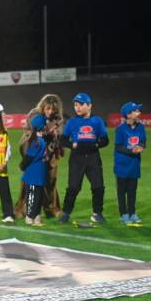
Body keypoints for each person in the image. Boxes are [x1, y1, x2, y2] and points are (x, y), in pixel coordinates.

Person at [59, 93, 109, 223]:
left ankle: (97, 213)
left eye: (81, 104)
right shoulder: (72, 122)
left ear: (89, 105)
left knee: (98, 187)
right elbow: (62, 140)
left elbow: (105, 140)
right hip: (77, 158)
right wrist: (72, 144)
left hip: (93, 157)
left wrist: (96, 145)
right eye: (76, 105)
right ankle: (66, 213)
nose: (78, 107)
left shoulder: (97, 121)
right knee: (73, 188)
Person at [14, 94, 65, 219]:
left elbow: (57, 136)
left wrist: (55, 142)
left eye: (53, 109)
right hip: (32, 149)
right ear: (43, 107)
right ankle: (21, 206)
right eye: (48, 108)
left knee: (51, 179)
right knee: (29, 180)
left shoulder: (58, 118)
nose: (50, 111)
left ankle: (51, 207)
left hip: (50, 150)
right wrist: (48, 131)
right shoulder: (35, 114)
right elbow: (32, 131)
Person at [113, 102, 146, 224]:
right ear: (128, 114)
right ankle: (123, 214)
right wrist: (132, 150)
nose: (139, 113)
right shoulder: (120, 129)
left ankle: (132, 213)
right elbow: (118, 147)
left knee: (132, 191)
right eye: (136, 111)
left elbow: (143, 142)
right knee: (122, 192)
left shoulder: (141, 127)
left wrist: (141, 147)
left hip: (134, 165)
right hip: (122, 165)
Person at [19, 125, 47, 225]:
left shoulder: (36, 141)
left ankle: (29, 216)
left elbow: (29, 156)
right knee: (39, 194)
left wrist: (22, 165)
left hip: (32, 171)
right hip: (41, 171)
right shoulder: (42, 140)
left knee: (31, 194)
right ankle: (37, 215)